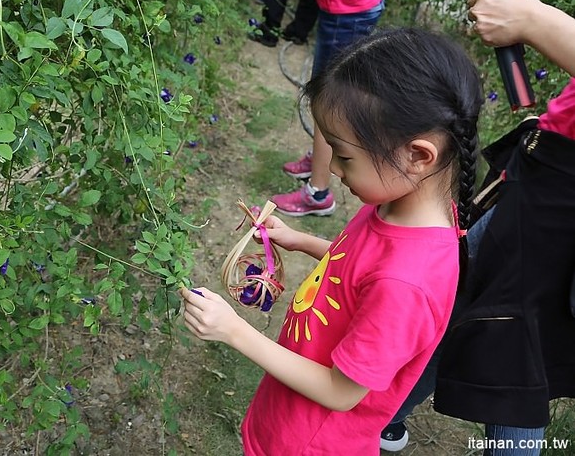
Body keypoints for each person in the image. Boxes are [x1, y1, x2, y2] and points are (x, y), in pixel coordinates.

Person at [180, 27, 483, 454]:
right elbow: (360, 272)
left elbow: (342, 392)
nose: (335, 170)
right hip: (287, 411)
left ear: (418, 156)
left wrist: (234, 331)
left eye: (344, 155)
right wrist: (300, 240)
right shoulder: (395, 206)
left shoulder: (408, 282)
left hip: (308, 442)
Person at [382, 0, 575, 454]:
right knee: (456, 304)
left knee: (512, 348)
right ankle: (377, 418)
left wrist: (534, 20)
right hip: (547, 170)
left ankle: (375, 417)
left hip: (560, 203)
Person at [272, 0, 417, 216]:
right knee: (332, 92)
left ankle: (318, 193)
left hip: (346, 7)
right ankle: (320, 158)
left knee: (328, 100)